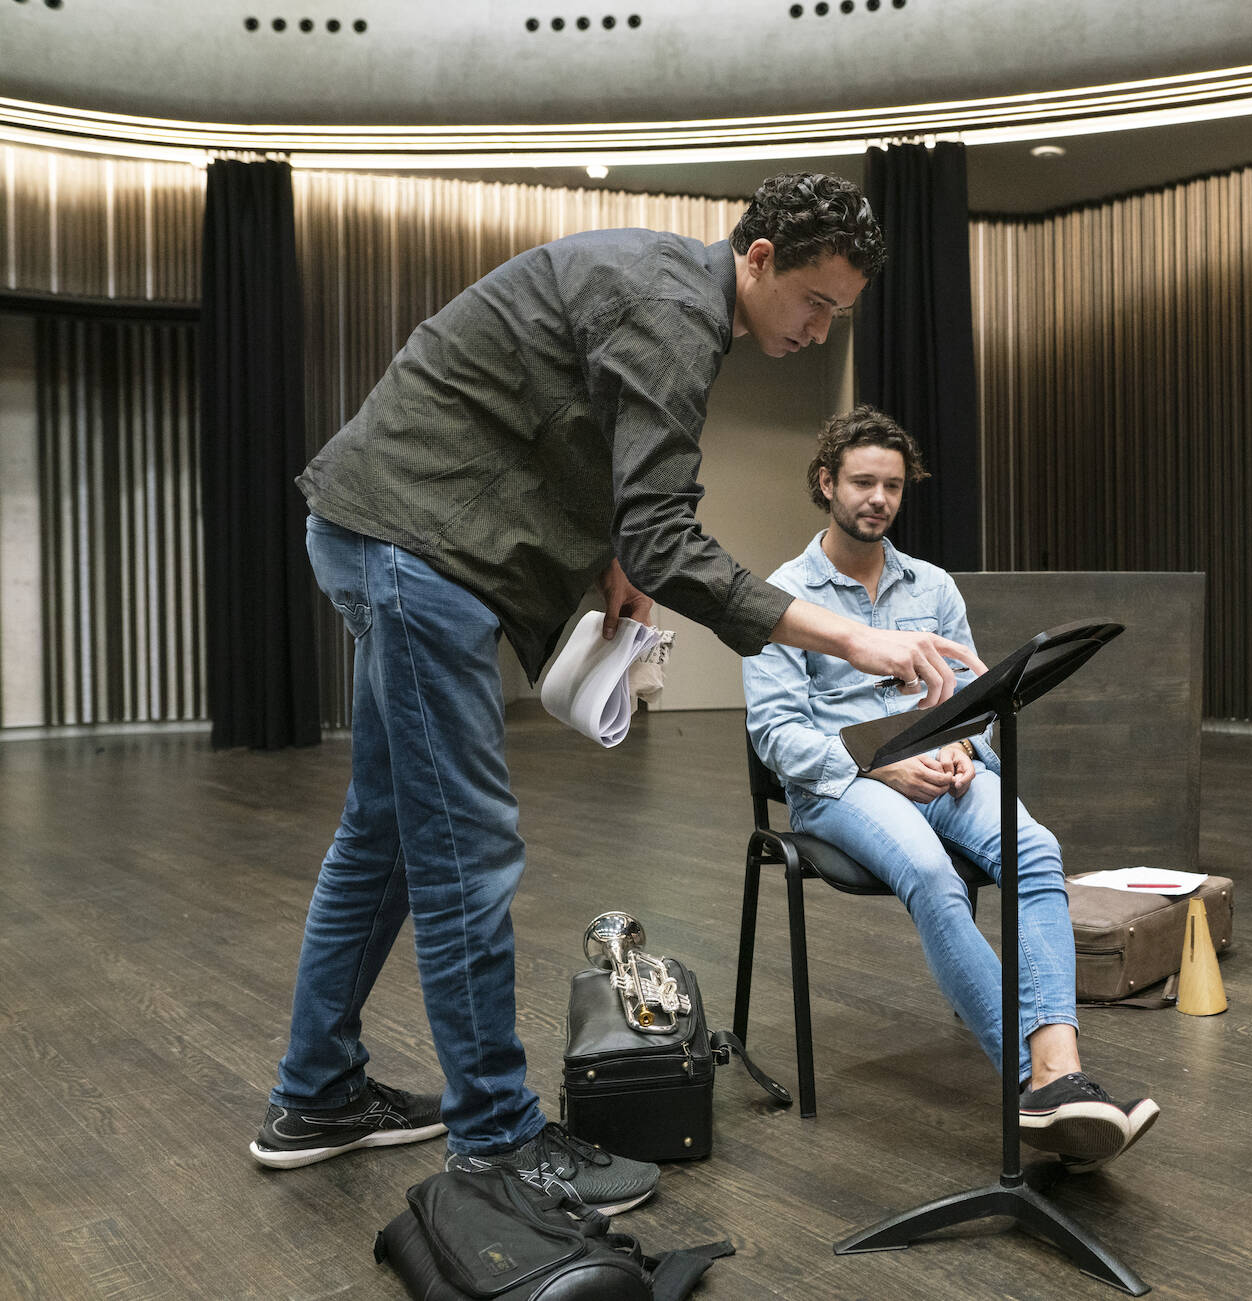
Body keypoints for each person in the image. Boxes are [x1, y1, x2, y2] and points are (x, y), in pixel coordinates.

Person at [248, 174, 987, 1215]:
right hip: (413, 549)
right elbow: (667, 533)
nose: (822, 333)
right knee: (467, 843)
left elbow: (584, 452)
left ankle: (315, 1093)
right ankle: (500, 1140)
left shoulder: (665, 290)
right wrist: (852, 634)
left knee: (383, 834)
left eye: (841, 317)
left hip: (389, 533)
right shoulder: (671, 307)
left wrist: (620, 560)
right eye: (816, 303)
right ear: (761, 259)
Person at [742, 407, 1158, 1169]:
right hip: (841, 784)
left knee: (1038, 850)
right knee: (932, 874)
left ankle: (1063, 1072)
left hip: (940, 766)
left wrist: (967, 745)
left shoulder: (931, 586)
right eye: (863, 481)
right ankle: (1034, 1085)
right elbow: (776, 737)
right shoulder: (785, 594)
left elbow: (977, 698)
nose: (879, 498)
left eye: (893, 485)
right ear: (827, 482)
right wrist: (878, 766)